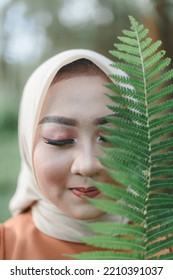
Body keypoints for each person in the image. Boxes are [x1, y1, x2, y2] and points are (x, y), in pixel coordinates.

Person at [0, 49, 128, 260]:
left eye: (111, 137)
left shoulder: (163, 244)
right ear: (26, 142)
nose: (87, 165)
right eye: (60, 139)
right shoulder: (6, 250)